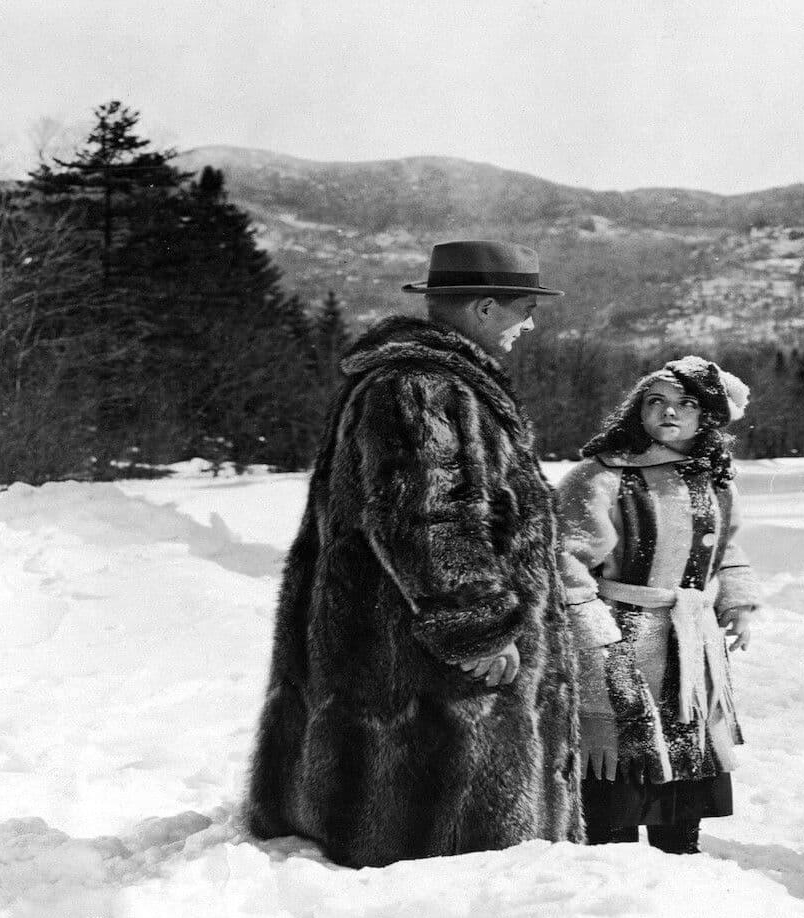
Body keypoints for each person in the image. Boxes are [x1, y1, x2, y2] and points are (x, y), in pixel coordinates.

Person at [245, 240, 583, 867]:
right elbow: (429, 517)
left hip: (411, 650)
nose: (530, 326)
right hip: (424, 667)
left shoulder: (434, 382)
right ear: (485, 308)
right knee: (449, 843)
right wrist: (478, 627)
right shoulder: (421, 387)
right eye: (525, 310)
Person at [555, 357, 760, 854]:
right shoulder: (602, 477)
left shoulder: (714, 480)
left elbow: (726, 547)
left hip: (692, 640)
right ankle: (611, 865)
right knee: (621, 757)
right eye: (657, 402)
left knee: (687, 748)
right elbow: (565, 561)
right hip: (621, 637)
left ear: (705, 416)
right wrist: (592, 631)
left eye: (685, 403)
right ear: (638, 411)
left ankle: (680, 857)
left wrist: (737, 600)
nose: (670, 412)